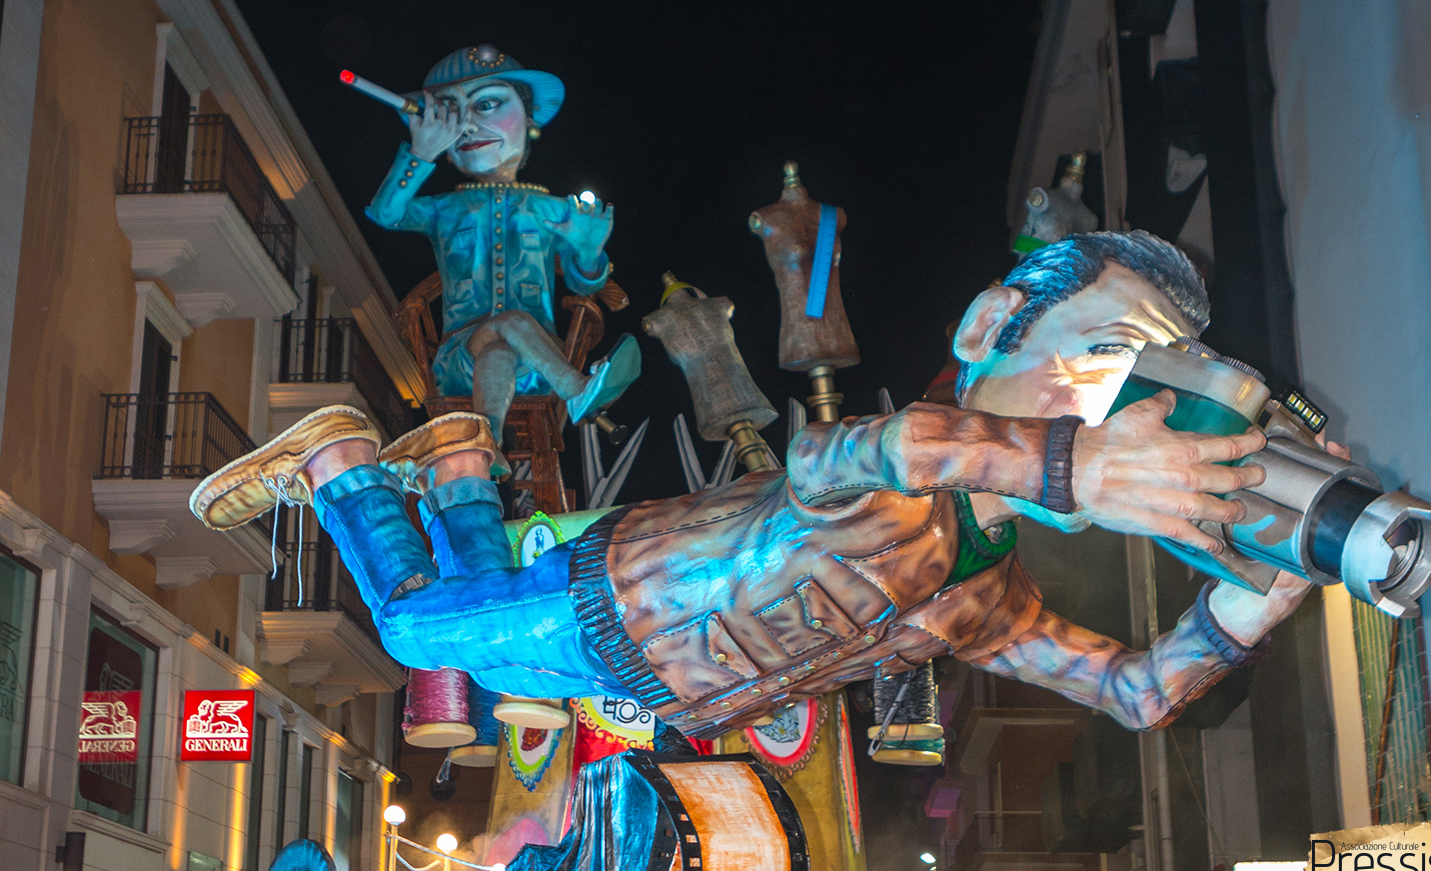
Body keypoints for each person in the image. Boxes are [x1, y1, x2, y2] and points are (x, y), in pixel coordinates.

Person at [191, 231, 1333, 738]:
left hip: (648, 676)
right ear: (990, 327)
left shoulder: (990, 598)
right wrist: (1072, 462)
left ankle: (456, 461)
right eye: (1102, 358)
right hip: (616, 602)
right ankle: (340, 461)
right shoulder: (894, 473)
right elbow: (859, 449)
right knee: (410, 629)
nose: (1116, 405)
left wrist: (1261, 594)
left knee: (472, 637)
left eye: (1145, 386)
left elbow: (1135, 691)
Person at [366, 44, 640, 471]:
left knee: (500, 349)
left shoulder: (553, 210)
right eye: (451, 113)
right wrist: (420, 154)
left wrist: (589, 250)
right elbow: (386, 213)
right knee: (506, 325)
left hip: (536, 363)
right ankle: (577, 390)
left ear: (528, 118)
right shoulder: (442, 209)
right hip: (460, 360)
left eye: (487, 104)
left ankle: (484, 446)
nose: (469, 124)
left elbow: (584, 283)